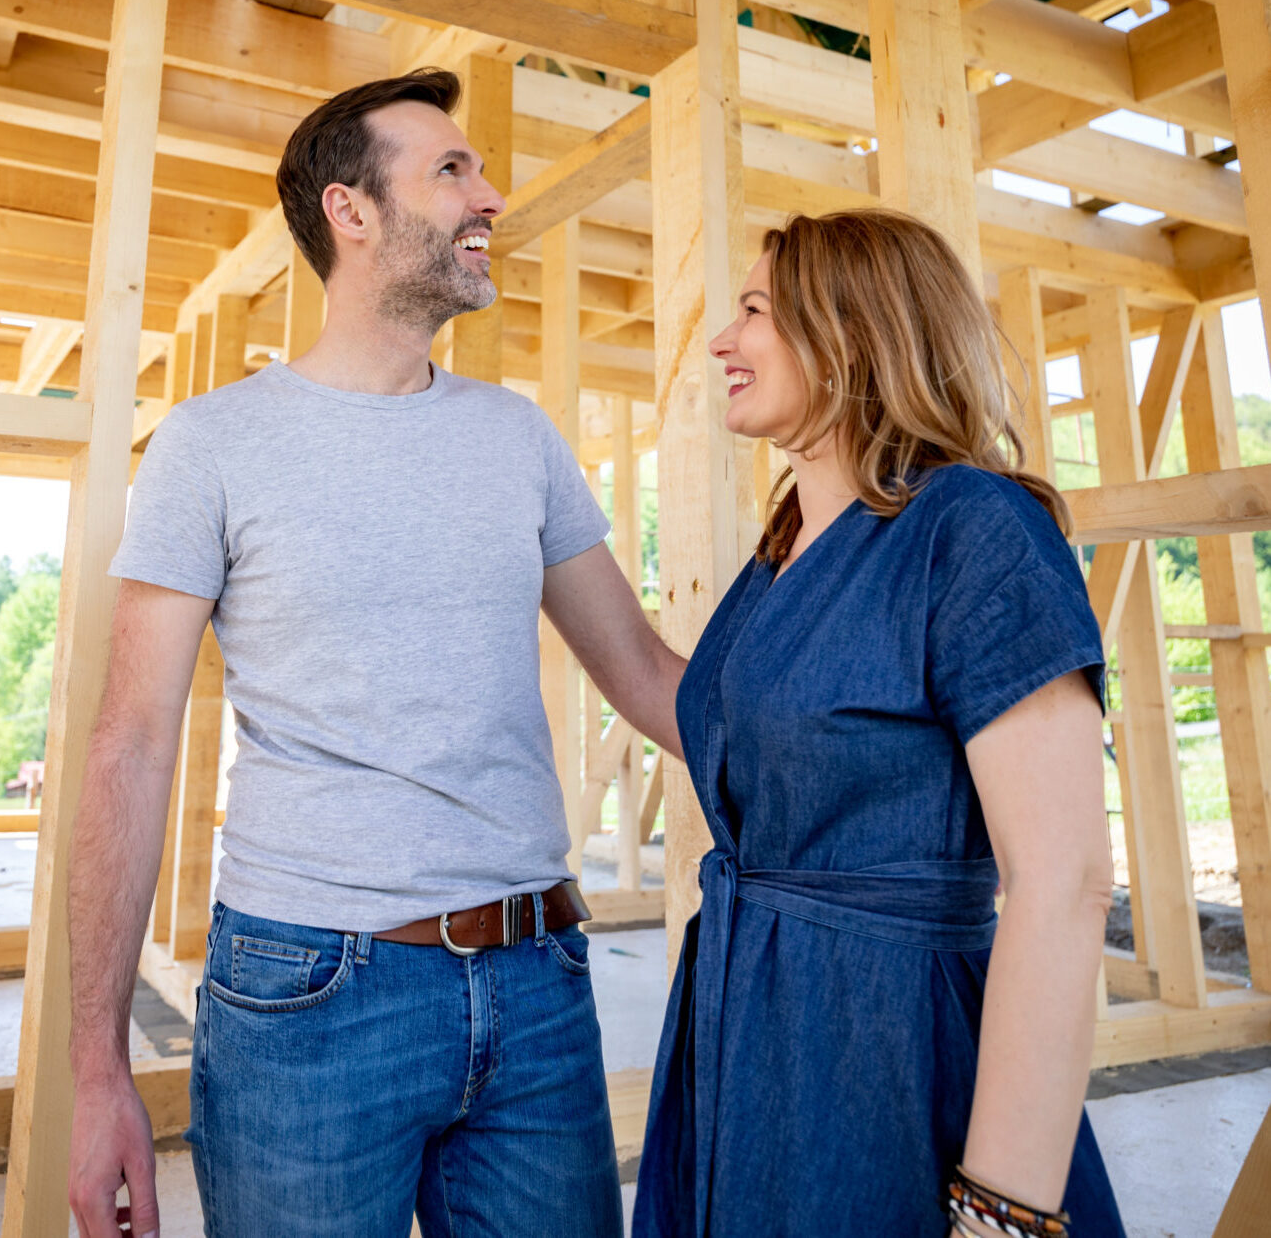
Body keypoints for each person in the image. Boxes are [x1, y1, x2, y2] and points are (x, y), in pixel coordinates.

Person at [68, 68, 684, 1238]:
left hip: (536, 984)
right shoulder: (214, 447)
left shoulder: (519, 439)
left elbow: (649, 677)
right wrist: (97, 1071)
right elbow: (130, 742)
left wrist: (860, 748)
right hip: (309, 997)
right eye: (454, 170)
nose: (491, 196)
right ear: (351, 212)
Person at [634, 210, 1124, 1238]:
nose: (722, 340)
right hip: (744, 1041)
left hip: (886, 1051)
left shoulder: (976, 528)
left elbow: (1064, 881)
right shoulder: (781, 556)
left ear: (850, 334)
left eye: (756, 311)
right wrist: (551, 555)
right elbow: (715, 730)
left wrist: (1002, 1214)